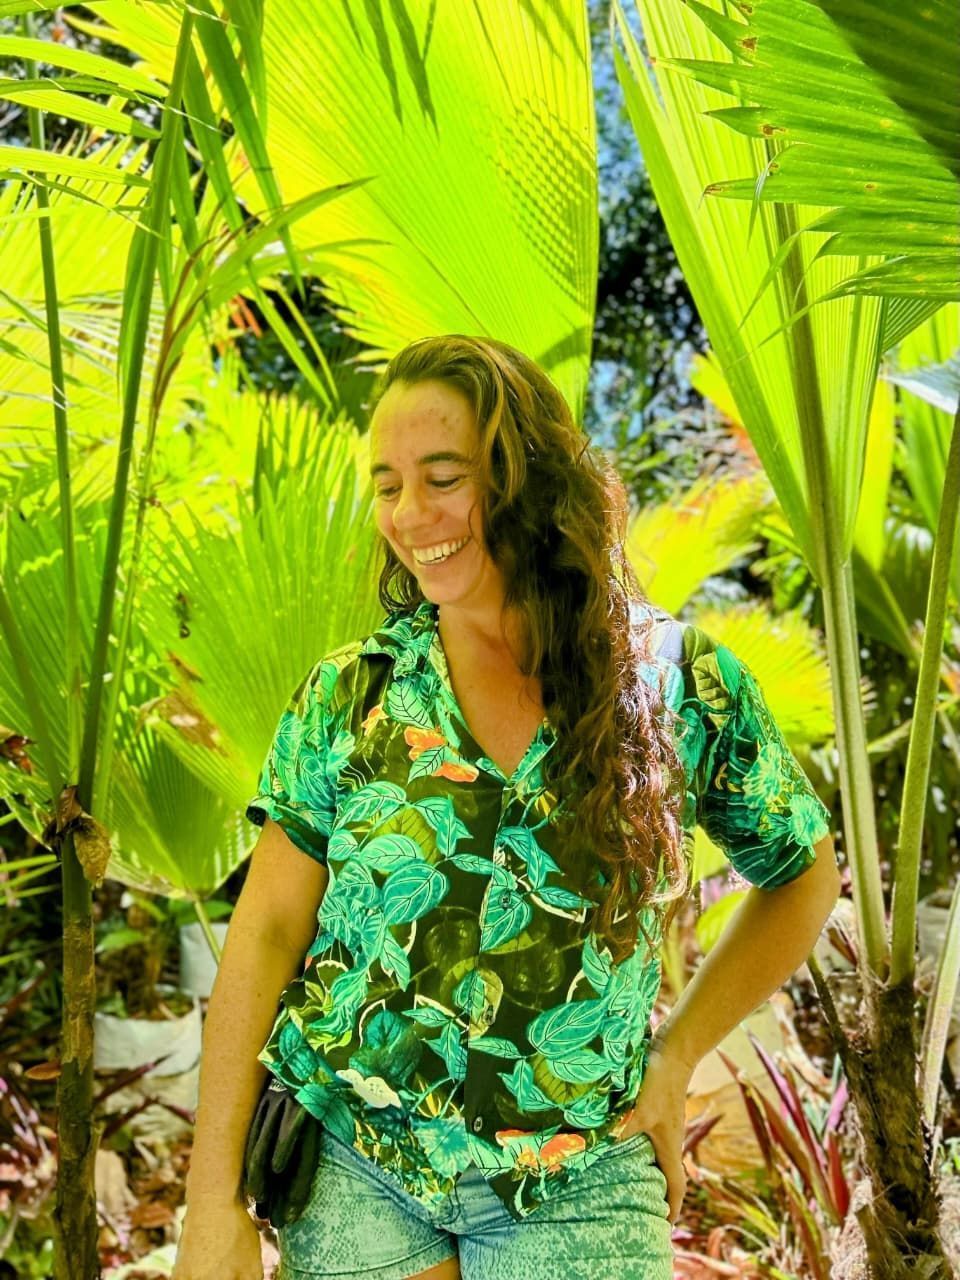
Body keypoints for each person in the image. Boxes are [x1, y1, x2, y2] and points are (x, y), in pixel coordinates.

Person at [173, 335, 841, 1280]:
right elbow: (268, 931)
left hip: (579, 1175)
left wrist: (680, 1051)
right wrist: (211, 1204)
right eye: (389, 483)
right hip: (361, 1163)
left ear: (525, 479)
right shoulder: (353, 697)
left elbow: (804, 875)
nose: (410, 515)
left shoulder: (676, 684)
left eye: (442, 477)